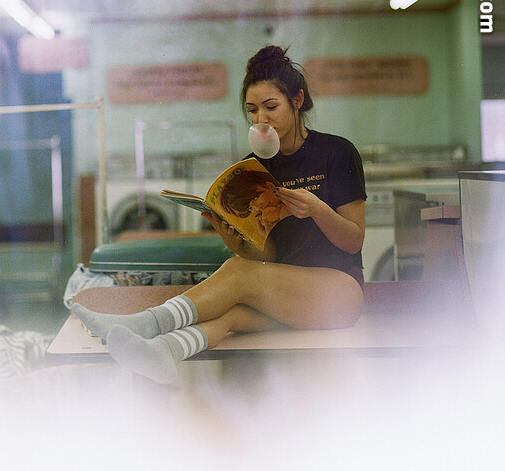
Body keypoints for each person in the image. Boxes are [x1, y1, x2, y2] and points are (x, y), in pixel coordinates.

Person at [72, 45, 367, 384]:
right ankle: (164, 350)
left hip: (340, 292)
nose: (261, 119)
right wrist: (237, 241)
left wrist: (316, 209)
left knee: (237, 271)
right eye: (252, 110)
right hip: (289, 295)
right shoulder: (255, 167)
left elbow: (354, 240)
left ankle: (144, 323)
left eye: (271, 107)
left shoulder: (336, 152)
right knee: (229, 316)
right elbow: (271, 258)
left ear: (297, 100)